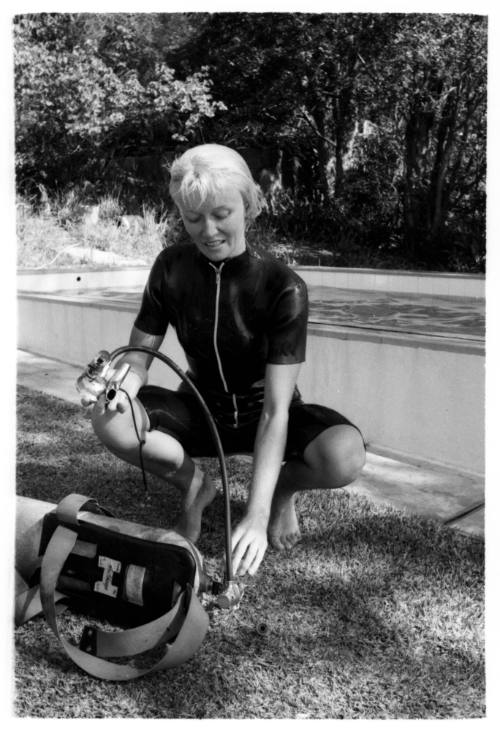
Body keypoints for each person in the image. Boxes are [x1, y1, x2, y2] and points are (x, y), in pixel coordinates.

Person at [88, 144, 366, 577]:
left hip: (266, 413)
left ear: (249, 207)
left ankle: (281, 493)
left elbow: (276, 412)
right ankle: (197, 486)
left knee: (345, 454)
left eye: (221, 214)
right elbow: (139, 358)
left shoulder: (282, 286)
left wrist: (254, 515)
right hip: (202, 408)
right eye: (193, 218)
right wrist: (117, 390)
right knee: (108, 419)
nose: (208, 230)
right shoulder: (170, 267)